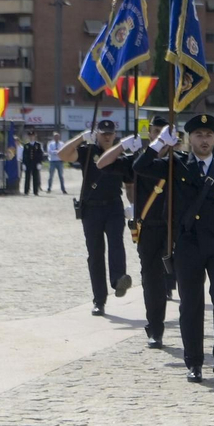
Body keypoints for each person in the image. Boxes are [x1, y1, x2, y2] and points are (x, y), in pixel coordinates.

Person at [137, 114, 214, 381]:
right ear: (189, 139)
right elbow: (140, 166)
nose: (204, 140)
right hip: (188, 245)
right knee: (191, 305)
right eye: (199, 135)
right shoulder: (175, 165)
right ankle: (194, 362)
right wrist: (159, 143)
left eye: (209, 135)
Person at [99, 116, 177, 347]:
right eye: (156, 131)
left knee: (185, 278)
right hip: (149, 228)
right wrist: (122, 145)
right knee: (152, 280)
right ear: (149, 134)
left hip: (176, 228)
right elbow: (102, 164)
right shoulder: (138, 160)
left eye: (165, 132)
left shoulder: (180, 161)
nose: (160, 136)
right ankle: (155, 329)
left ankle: (191, 328)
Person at [58, 118, 135, 315]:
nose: (107, 137)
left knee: (116, 243)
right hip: (91, 209)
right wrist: (81, 138)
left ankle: (118, 280)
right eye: (103, 134)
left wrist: (133, 205)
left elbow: (129, 185)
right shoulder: (88, 152)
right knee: (95, 254)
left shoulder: (120, 155)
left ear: (115, 135)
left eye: (110, 133)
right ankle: (99, 300)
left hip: (114, 206)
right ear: (97, 135)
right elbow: (62, 155)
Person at [17, 130, 43, 195]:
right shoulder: (26, 145)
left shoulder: (38, 145)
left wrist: (39, 163)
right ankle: (26, 191)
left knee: (35, 177)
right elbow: (24, 155)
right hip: (28, 163)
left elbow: (40, 154)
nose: (31, 137)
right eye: (30, 136)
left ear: (34, 136)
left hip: (35, 163)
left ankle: (35, 191)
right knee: (27, 177)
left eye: (32, 136)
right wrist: (24, 163)